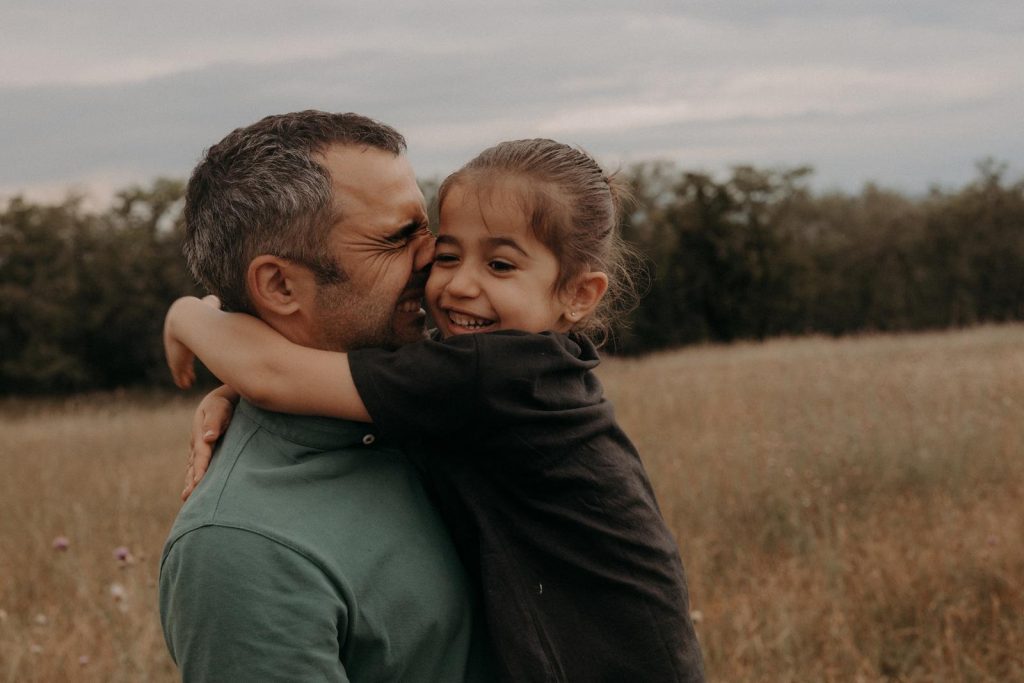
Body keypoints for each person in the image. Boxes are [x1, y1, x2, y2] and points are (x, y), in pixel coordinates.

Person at [166, 139, 706, 681]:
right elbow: (276, 379)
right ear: (280, 284)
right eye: (416, 243)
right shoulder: (241, 545)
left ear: (579, 295)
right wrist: (239, 390)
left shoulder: (490, 375)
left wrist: (188, 317)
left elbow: (274, 374)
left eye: (499, 263)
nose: (441, 272)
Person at [158, 110, 492, 682]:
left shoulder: (455, 398)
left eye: (426, 225)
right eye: (396, 238)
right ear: (281, 286)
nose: (435, 254)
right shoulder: (244, 549)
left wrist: (200, 328)